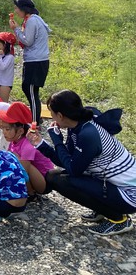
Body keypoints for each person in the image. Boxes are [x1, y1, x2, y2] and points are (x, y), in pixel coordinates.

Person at [26, 90, 136, 236]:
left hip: (129, 195)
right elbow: (65, 161)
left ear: (60, 115)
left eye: (51, 113)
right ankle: (103, 209)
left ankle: (119, 220)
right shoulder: (76, 127)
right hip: (111, 183)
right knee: (53, 176)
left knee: (64, 181)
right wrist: (40, 143)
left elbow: (74, 170)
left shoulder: (88, 134)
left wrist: (57, 140)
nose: (51, 117)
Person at [0, 102, 54, 198]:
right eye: (3, 128)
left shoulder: (28, 143)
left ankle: (30, 192)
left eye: (7, 129)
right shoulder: (14, 140)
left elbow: (24, 170)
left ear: (20, 131)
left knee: (16, 159)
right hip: (32, 177)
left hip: (44, 183)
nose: (3, 132)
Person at [9, 0, 51, 124]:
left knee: (31, 90)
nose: (16, 11)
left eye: (17, 8)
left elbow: (28, 41)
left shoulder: (32, 21)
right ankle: (36, 117)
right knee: (28, 88)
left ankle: (34, 121)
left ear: (24, 9)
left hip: (36, 61)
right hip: (35, 60)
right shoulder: (32, 20)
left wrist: (16, 29)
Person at [0, 32, 16, 102]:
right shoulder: (1, 55)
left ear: (5, 45)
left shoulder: (10, 57)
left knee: (4, 102)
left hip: (5, 83)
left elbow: (2, 67)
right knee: (0, 102)